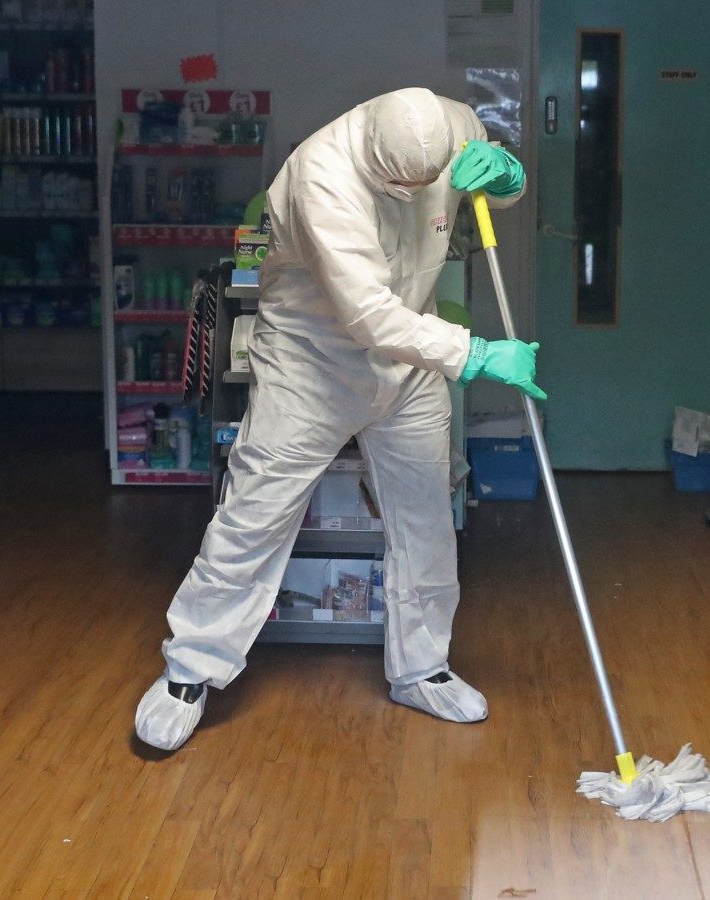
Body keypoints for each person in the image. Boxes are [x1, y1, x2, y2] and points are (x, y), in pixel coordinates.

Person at [135, 88, 543, 752]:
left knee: (425, 517)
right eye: (400, 186)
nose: (416, 196)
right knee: (255, 515)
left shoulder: (452, 126)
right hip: (312, 364)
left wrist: (507, 175)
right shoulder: (319, 177)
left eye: (427, 182)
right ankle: (191, 669)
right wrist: (475, 354)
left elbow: (498, 187)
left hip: (409, 362)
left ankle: (422, 668)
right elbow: (369, 316)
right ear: (372, 153)